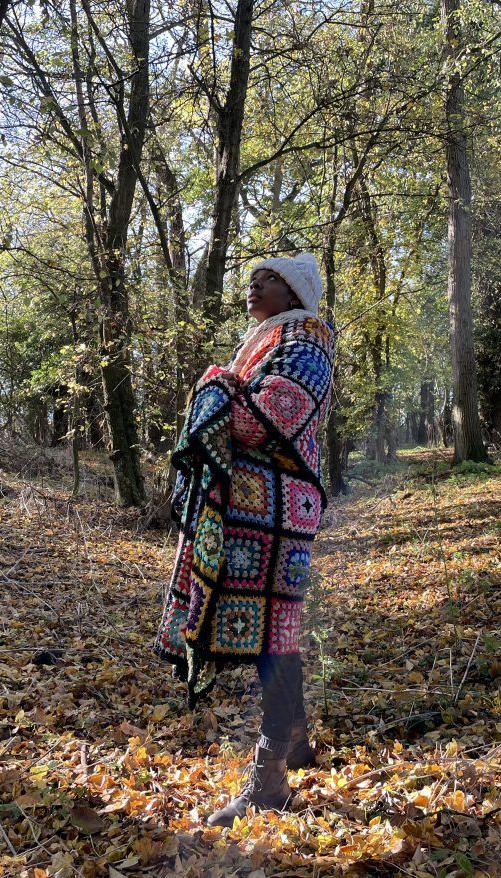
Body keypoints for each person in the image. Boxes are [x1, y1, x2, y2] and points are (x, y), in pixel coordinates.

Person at [154, 253, 336, 827]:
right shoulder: (262, 344)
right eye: (252, 278)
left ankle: (268, 781)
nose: (254, 286)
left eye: (269, 279)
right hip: (256, 513)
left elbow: (260, 422)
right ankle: (298, 746)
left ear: (296, 293)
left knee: (272, 641)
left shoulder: (306, 346)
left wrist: (215, 381)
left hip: (279, 516)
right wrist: (228, 381)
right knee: (274, 635)